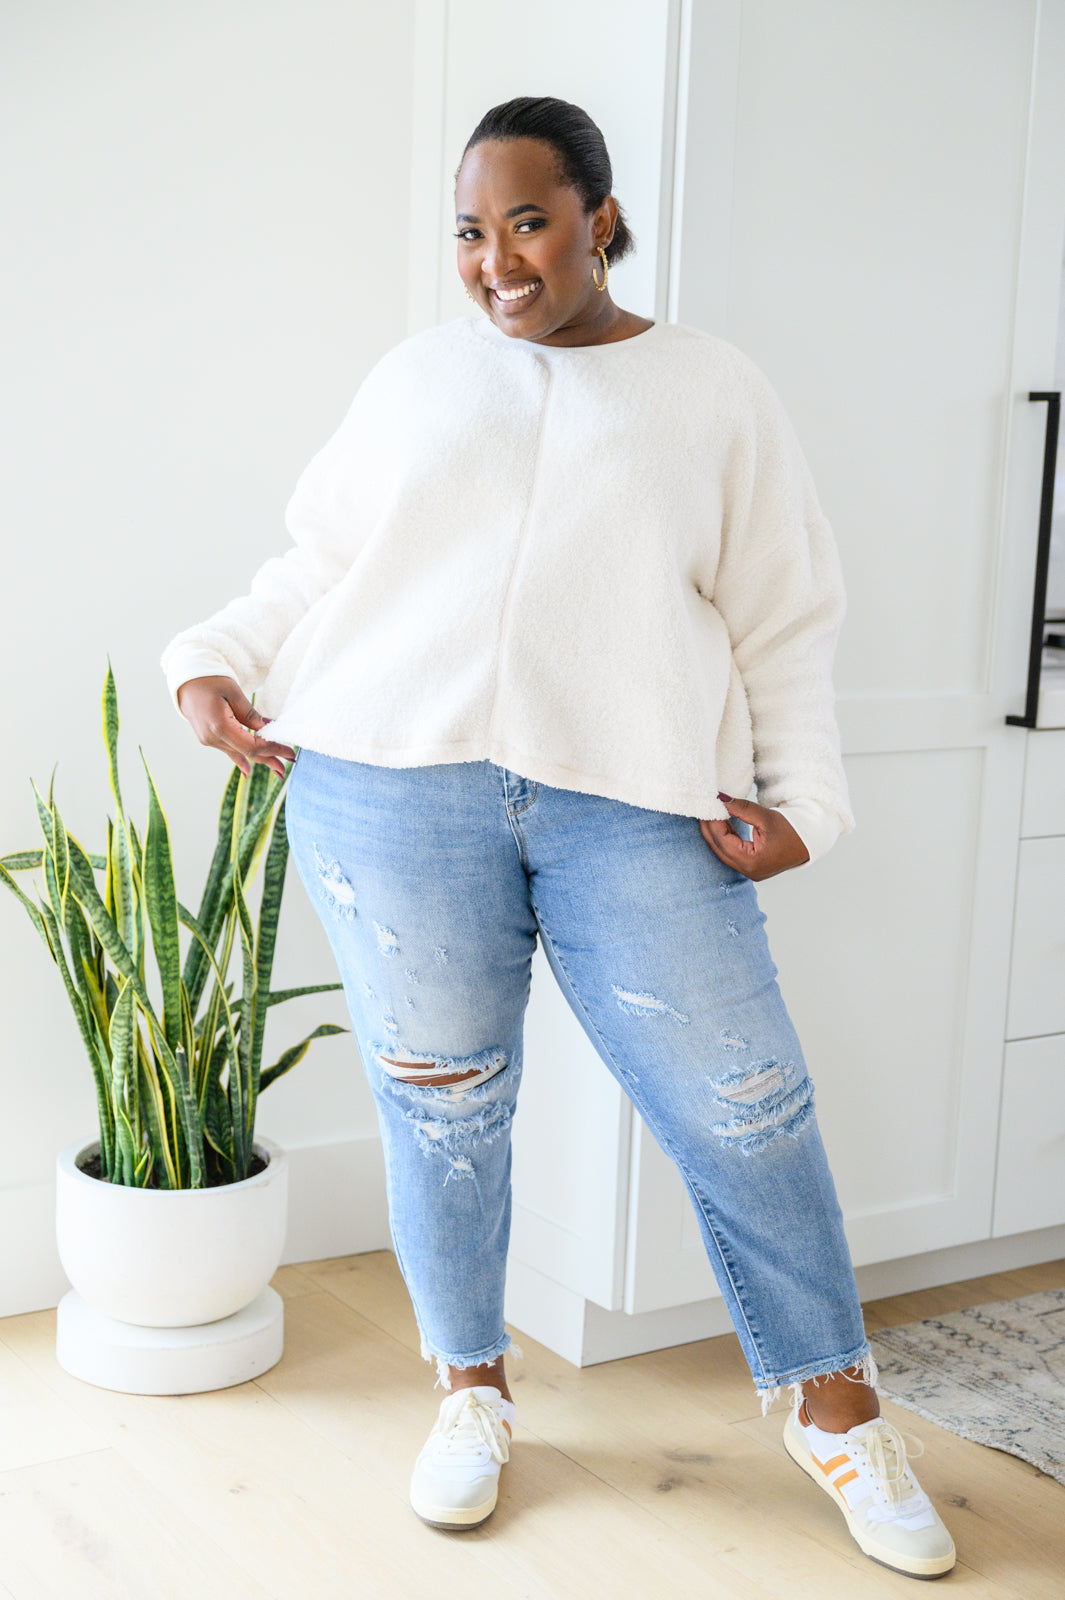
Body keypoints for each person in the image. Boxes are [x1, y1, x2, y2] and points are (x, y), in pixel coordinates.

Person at [162, 95, 955, 1579]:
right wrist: (213, 657)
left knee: (746, 1106)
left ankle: (836, 1408)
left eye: (527, 222)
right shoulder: (418, 378)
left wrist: (809, 803)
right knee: (444, 1109)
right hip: (390, 786)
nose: (496, 262)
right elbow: (320, 561)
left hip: (633, 800)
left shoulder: (710, 390)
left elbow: (783, 615)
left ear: (601, 217)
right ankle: (471, 1392)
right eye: (470, 231)